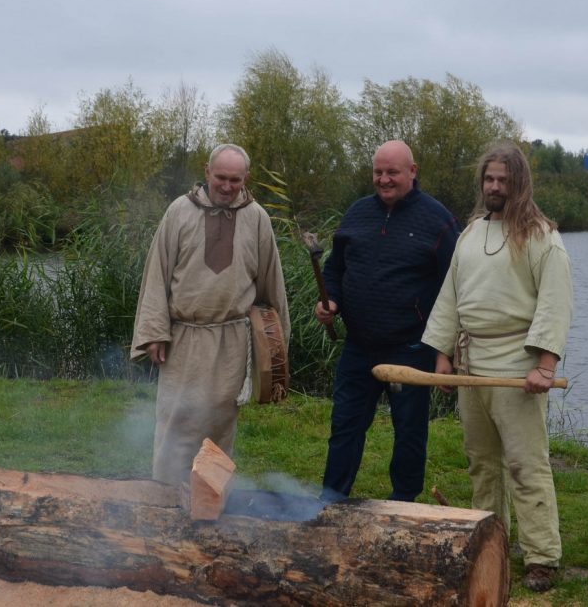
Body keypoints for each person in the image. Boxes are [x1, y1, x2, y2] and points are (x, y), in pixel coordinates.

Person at [421, 140, 573, 593]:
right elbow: (451, 295)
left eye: (503, 181)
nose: (494, 187)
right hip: (472, 363)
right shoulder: (470, 235)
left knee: (526, 465)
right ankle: (491, 541)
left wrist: (544, 365)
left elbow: (555, 302)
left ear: (519, 183)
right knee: (481, 464)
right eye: (489, 179)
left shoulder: (542, 235)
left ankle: (543, 555)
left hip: (516, 365)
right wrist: (443, 355)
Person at [131, 143, 290, 488]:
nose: (227, 186)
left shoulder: (257, 218)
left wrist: (277, 352)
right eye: (220, 177)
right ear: (207, 172)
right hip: (184, 339)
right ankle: (166, 498)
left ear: (245, 178)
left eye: (235, 179)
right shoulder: (179, 212)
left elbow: (271, 283)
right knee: (177, 420)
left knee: (219, 425)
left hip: (232, 341)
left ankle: (210, 500)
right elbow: (157, 273)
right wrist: (155, 331)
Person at [315, 140, 460, 502]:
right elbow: (334, 269)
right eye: (378, 172)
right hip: (359, 346)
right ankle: (332, 500)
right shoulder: (357, 214)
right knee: (345, 426)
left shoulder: (438, 220)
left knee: (409, 430)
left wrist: (447, 348)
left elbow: (454, 286)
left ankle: (405, 503)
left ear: (413, 171)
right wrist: (330, 299)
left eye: (392, 172)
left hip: (410, 348)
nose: (384, 179)